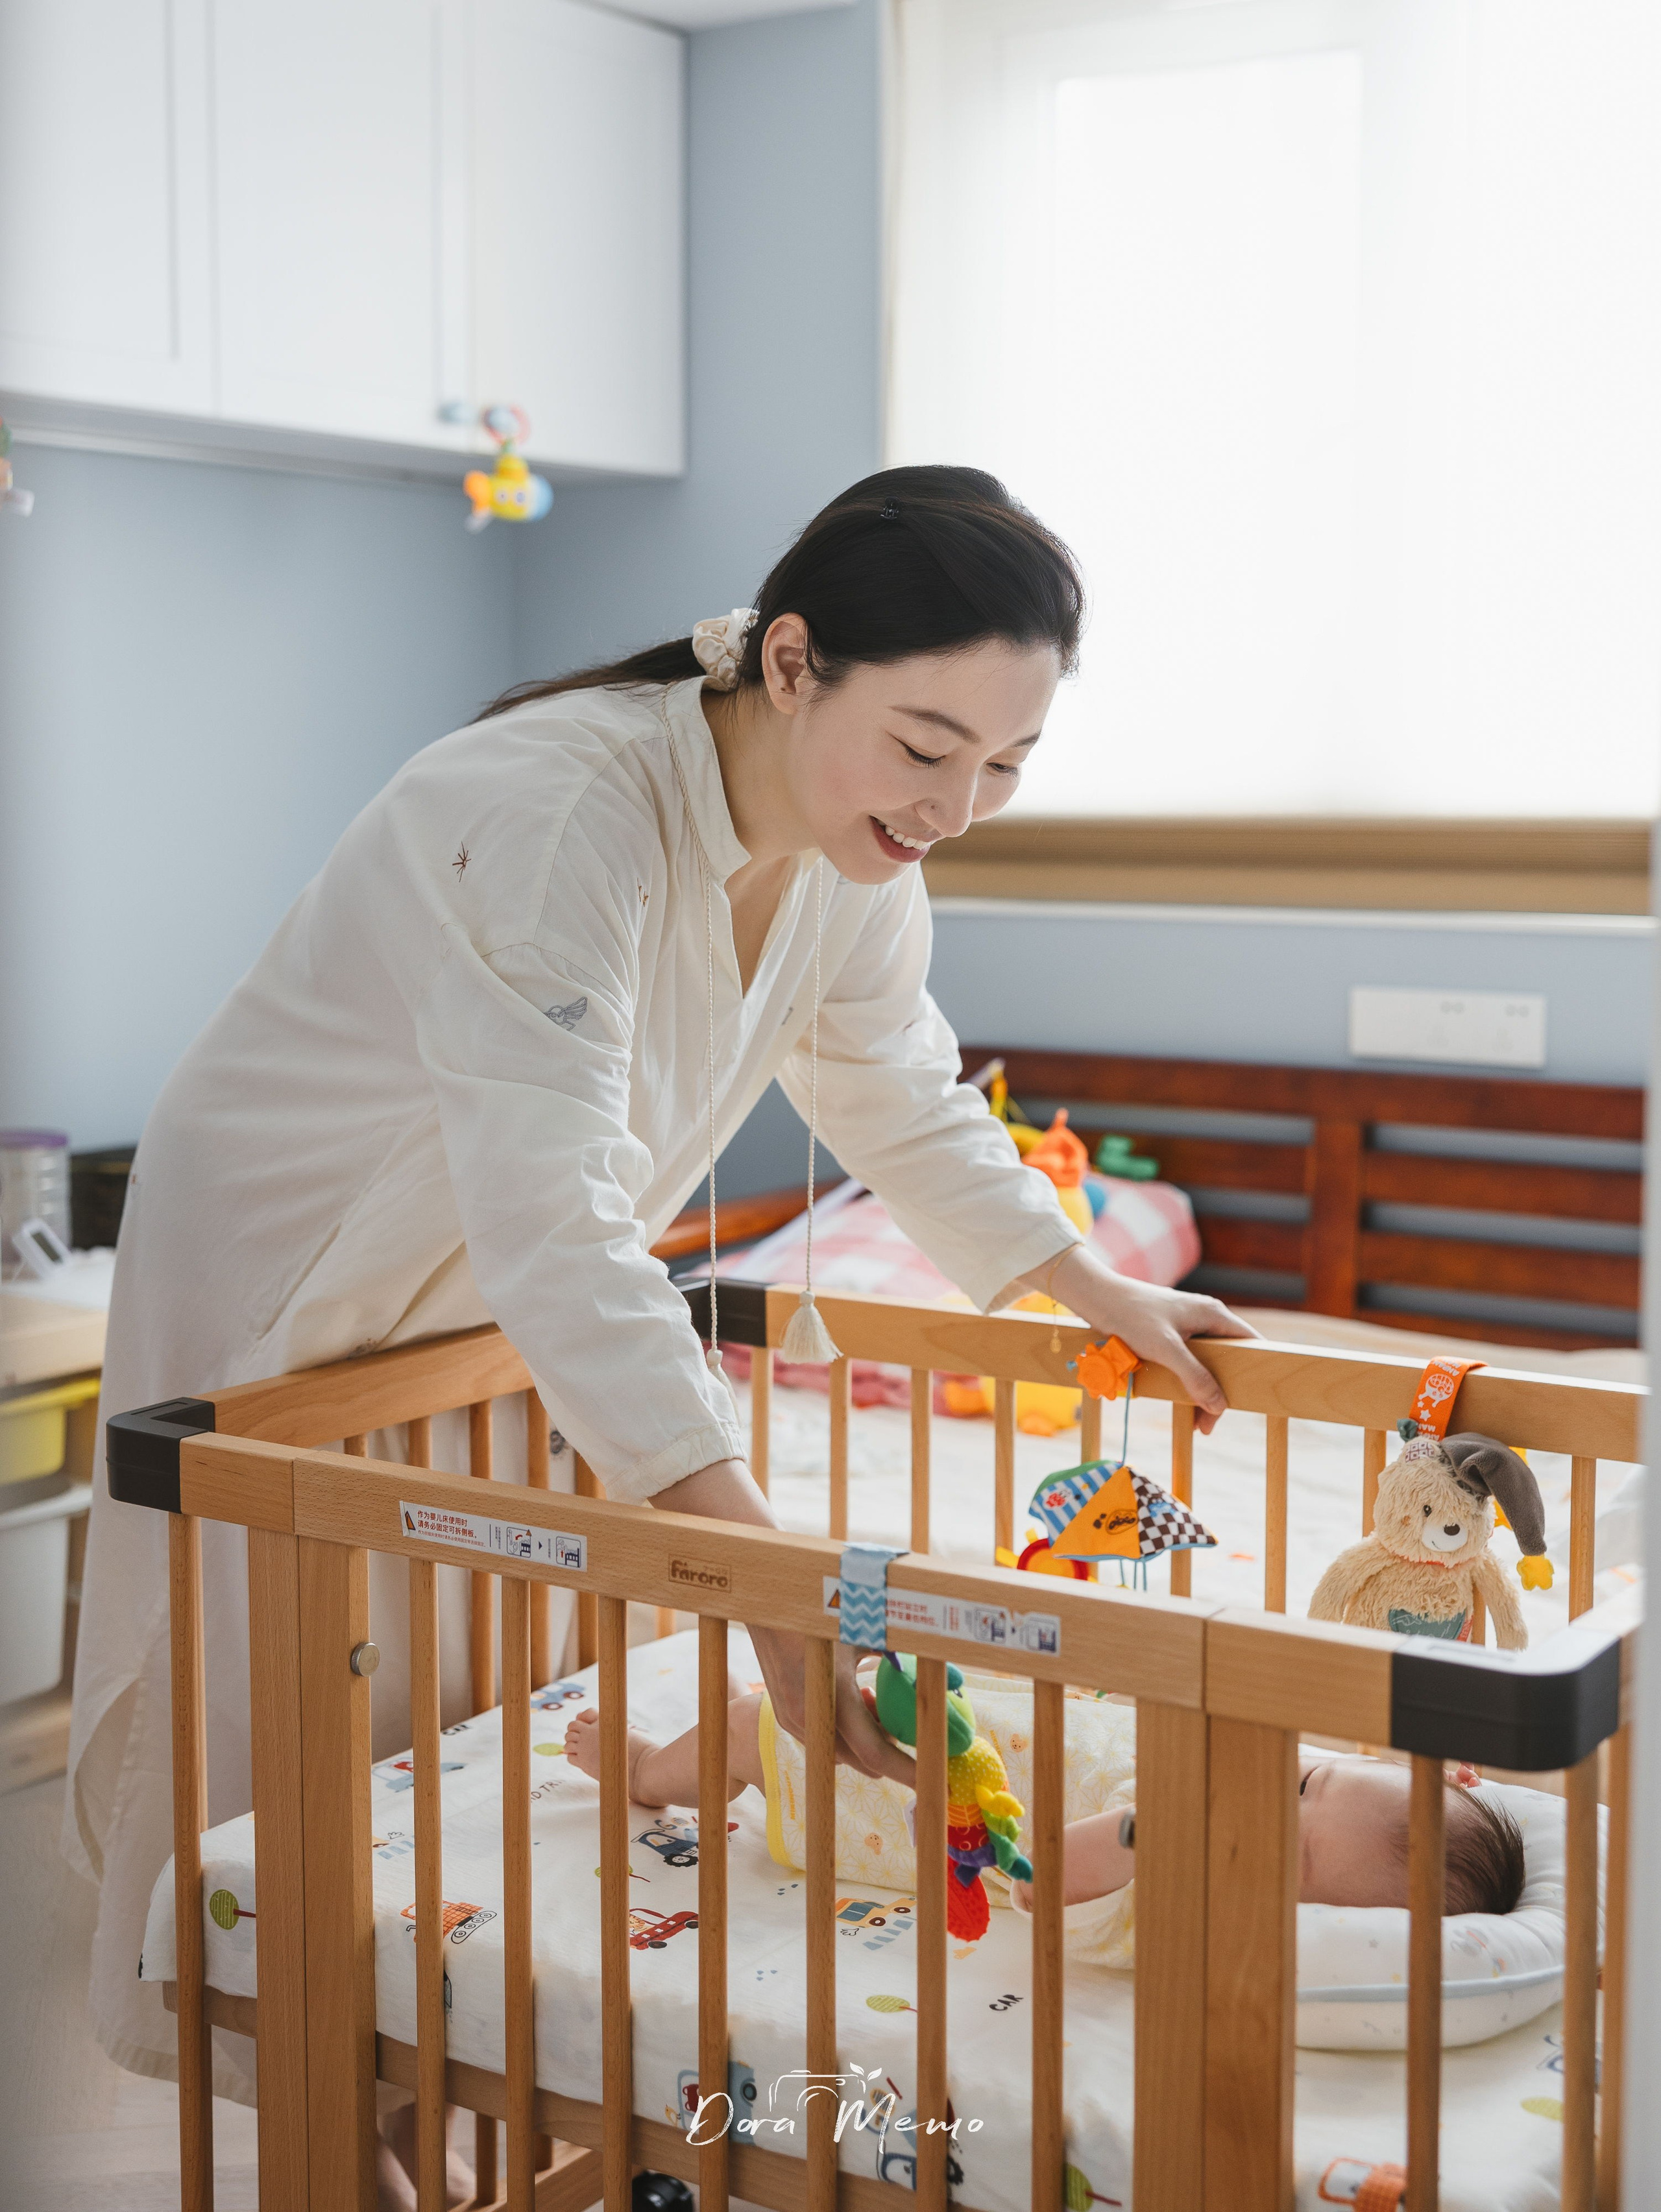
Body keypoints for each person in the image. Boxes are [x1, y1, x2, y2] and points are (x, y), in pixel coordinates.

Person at [67, 464, 1254, 2102]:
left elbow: (893, 1083)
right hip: (302, 1248)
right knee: (287, 1690)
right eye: (925, 747)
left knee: (461, 1680)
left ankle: (422, 2067)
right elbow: (562, 1213)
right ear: (786, 662)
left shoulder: (857, 850)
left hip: (488, 1266)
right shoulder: (570, 811)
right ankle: (318, 2099)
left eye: (1005, 764)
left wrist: (1085, 1285)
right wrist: (768, 1575)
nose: (957, 805)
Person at [563, 1672, 1527, 1964]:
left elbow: (1040, 1879)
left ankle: (647, 1768)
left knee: (752, 1728)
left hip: (871, 1795)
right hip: (951, 1723)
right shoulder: (1265, 1753)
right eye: (1305, 1783)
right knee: (775, 1695)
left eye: (1282, 1852)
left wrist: (1154, 1827)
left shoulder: (1156, 1897)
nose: (1264, 1804)